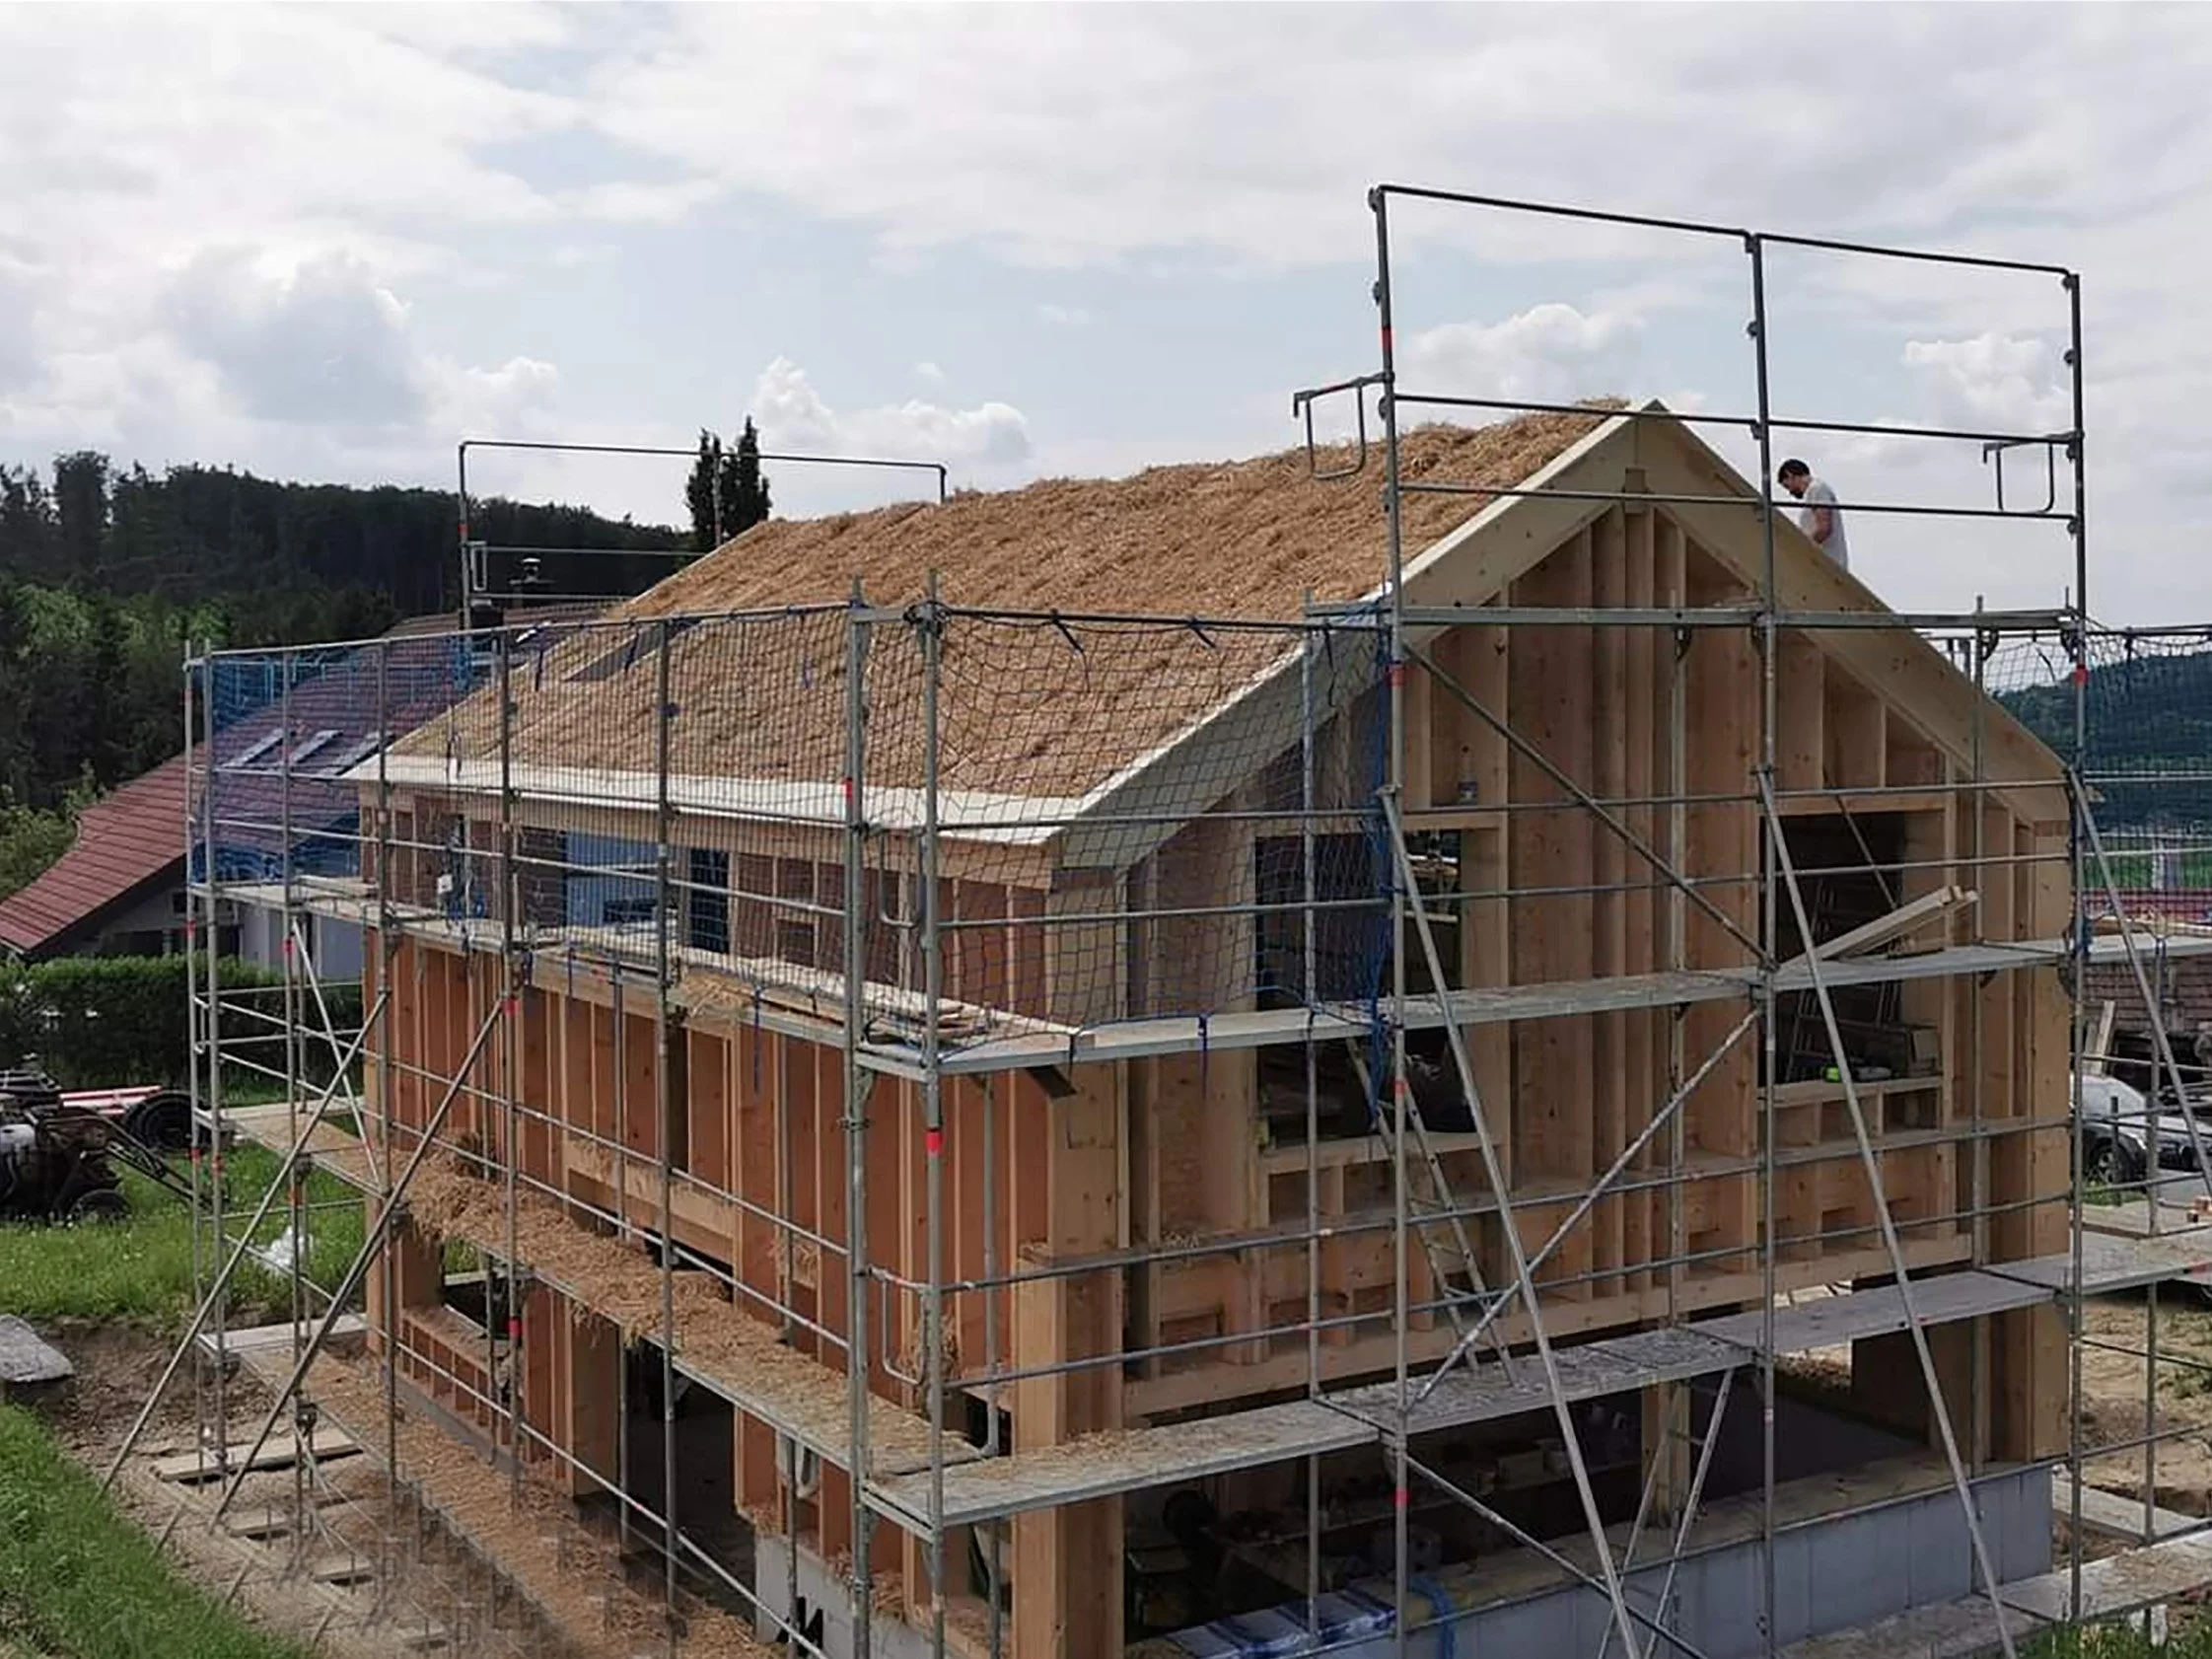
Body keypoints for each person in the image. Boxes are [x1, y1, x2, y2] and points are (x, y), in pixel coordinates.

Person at [1776, 458, 1849, 572]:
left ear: (1790, 475)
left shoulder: (1817, 489)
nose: (1790, 492)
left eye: (1787, 486)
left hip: (1828, 565)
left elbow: (1824, 529)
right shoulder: (1813, 492)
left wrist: (1802, 548)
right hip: (1822, 564)